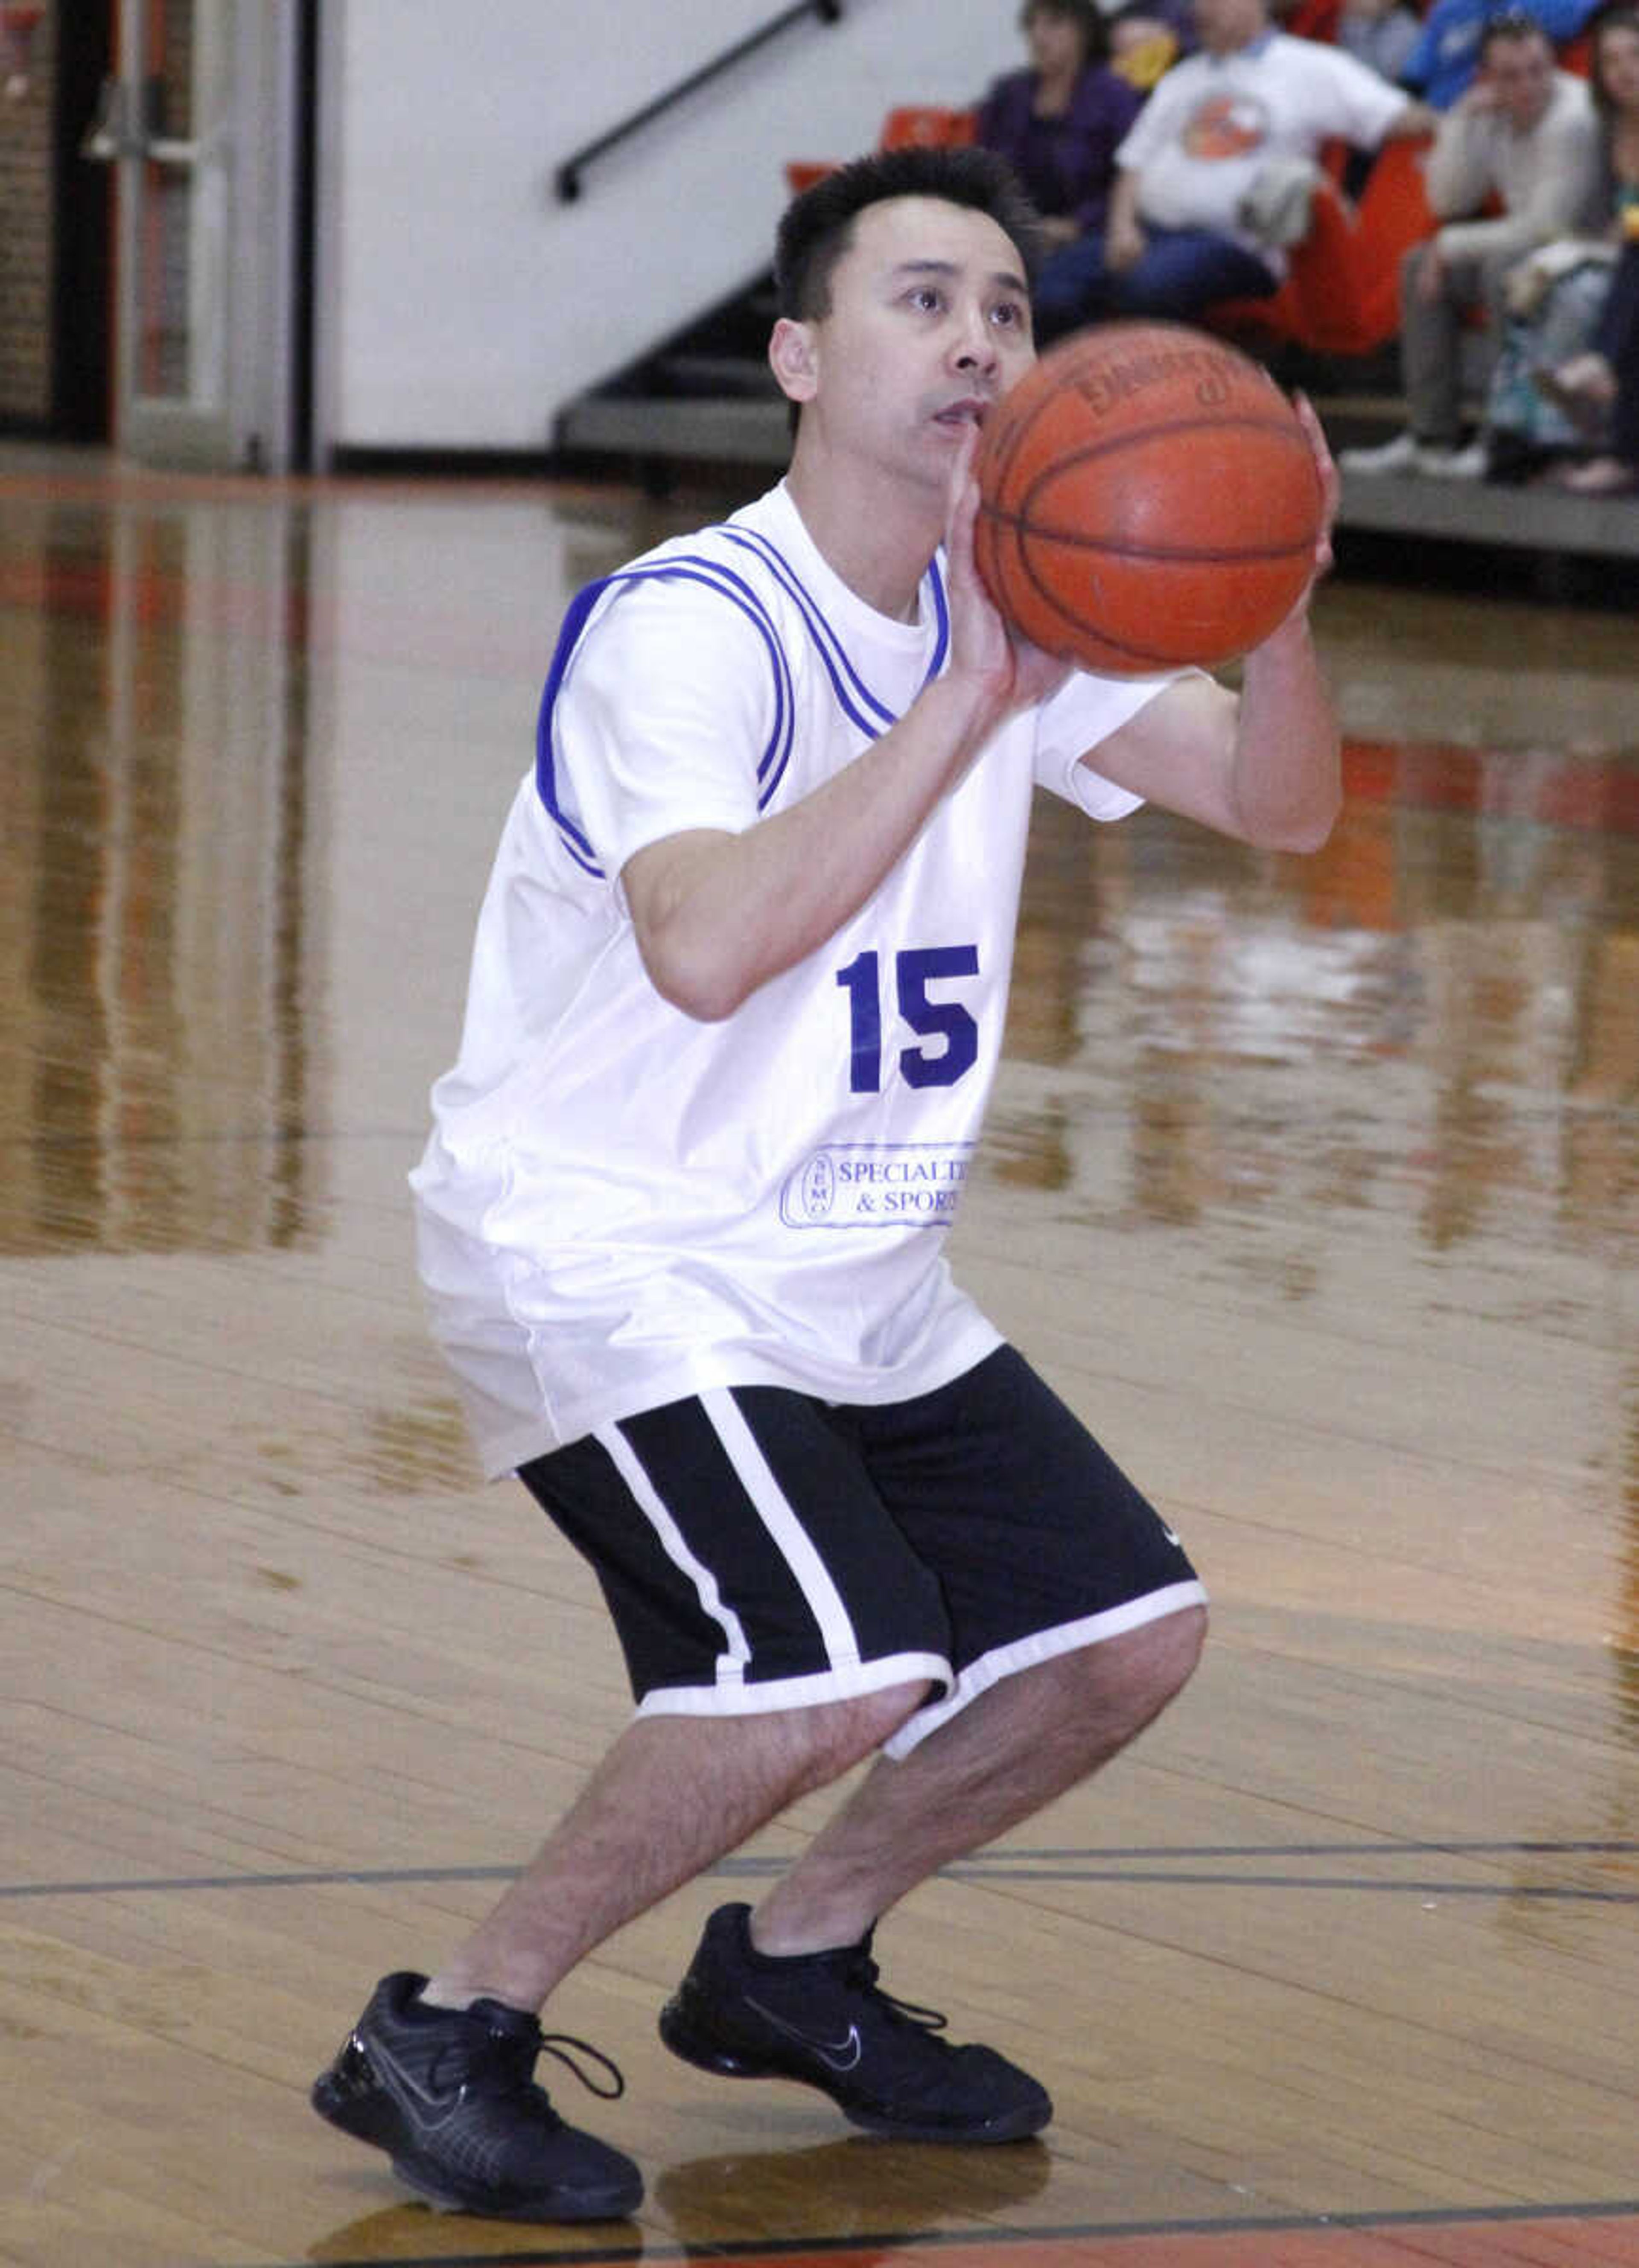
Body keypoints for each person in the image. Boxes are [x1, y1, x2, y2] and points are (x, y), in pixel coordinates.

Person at [310, 143, 1342, 2226]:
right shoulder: (692, 627)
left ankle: (790, 1964)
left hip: (852, 1270)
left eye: (1009, 308)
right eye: (923, 298)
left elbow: (1277, 806)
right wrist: (980, 690)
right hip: (608, 1251)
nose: (977, 336)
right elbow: (701, 947)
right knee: (831, 1660)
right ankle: (451, 2022)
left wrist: (1280, 597)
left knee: (1117, 1644)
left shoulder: (1029, 594)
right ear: (798, 351)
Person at [1033, 0, 1434, 338]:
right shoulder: (1181, 78)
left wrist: (1466, 113)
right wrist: (1122, 227)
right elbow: (1133, 164)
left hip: (1239, 244)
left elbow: (1399, 116)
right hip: (1149, 236)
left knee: (1151, 285)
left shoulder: (1310, 66)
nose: (1199, 10)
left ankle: (1165, 409)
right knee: (1047, 290)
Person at [1341, 10, 1604, 475]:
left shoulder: (1574, 116)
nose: (1527, 86)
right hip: (1539, 250)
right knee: (1416, 263)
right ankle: (1430, 437)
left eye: (1537, 70)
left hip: (1588, 252)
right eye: (1510, 76)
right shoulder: (1487, 112)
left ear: (1552, 64)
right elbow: (1447, 198)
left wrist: (1451, 246)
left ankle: (1503, 437)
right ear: (1487, 77)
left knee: (1501, 268)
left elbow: (1547, 225)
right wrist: (1462, 121)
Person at [1466, 4, 1639, 479]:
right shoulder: (1607, 129)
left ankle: (1602, 431)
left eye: (1635, 56)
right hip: (1612, 253)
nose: (1625, 71)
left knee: (1585, 290)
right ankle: (1522, 444)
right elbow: (1601, 223)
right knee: (1536, 284)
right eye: (1612, 61)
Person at [974, 0, 1146, 259]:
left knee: (1053, 287)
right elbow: (983, 169)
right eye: (1033, 25)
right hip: (1014, 230)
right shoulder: (1009, 94)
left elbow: (1132, 174)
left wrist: (1076, 225)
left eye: (1054, 24)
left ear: (1083, 32)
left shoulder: (1113, 94)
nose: (1038, 35)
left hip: (1089, 233)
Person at [1400, 0, 1603, 111]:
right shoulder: (1447, 10)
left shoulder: (1552, 4)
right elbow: (1413, 78)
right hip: (1443, 121)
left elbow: (1611, 20)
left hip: (1517, 114)